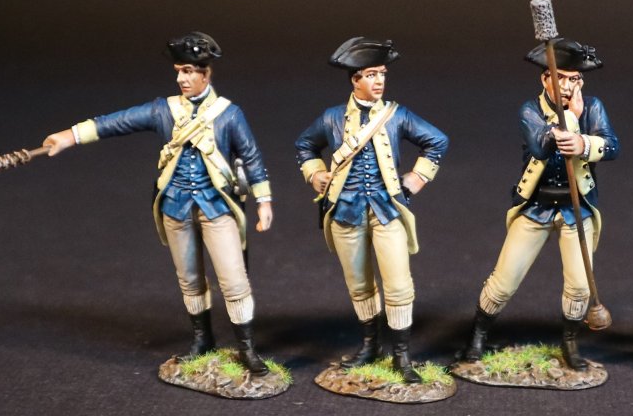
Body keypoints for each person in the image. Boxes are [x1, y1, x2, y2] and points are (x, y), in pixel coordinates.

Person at [42, 31, 273, 375]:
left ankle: (247, 348)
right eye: (179, 71)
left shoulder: (229, 114)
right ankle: (202, 340)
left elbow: (251, 157)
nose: (181, 79)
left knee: (234, 280)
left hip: (217, 207)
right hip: (175, 207)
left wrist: (264, 200)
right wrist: (69, 136)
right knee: (190, 279)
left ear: (206, 74)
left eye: (189, 71)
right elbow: (117, 122)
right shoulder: (164, 110)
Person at [294, 37, 449, 383]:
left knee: (399, 285)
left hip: (386, 210)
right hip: (345, 212)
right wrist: (315, 174)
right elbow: (305, 145)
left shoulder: (397, 116)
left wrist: (417, 178)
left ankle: (402, 355)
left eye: (382, 74)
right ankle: (370, 345)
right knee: (359, 285)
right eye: (371, 75)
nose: (379, 81)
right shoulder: (332, 118)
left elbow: (437, 140)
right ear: (355, 79)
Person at [459, 38, 619, 371]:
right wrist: (572, 121)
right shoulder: (530, 110)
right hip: (535, 207)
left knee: (579, 285)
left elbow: (612, 146)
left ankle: (570, 342)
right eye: (561, 78)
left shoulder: (593, 107)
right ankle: (478, 335)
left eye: (575, 79)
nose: (568, 86)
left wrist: (585, 143)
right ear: (545, 78)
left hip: (577, 209)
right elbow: (542, 145)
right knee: (504, 279)